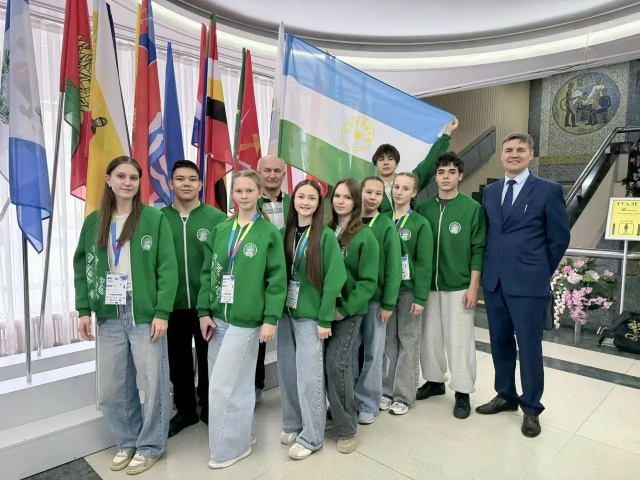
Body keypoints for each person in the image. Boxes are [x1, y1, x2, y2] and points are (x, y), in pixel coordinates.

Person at [74, 156, 178, 475]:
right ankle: (128, 441)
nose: (127, 182)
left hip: (143, 309)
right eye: (121, 176)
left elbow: (168, 268)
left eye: (133, 177)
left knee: (153, 381)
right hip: (108, 310)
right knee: (110, 388)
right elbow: (82, 266)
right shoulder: (94, 221)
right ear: (108, 180)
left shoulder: (153, 219)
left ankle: (150, 446)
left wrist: (162, 312)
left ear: (139, 182)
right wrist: (83, 310)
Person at [476, 133, 570, 438]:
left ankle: (531, 408)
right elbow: (491, 233)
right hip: (495, 282)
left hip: (529, 285)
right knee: (500, 342)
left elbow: (559, 238)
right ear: (501, 156)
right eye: (508, 150)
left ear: (531, 155)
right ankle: (505, 394)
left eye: (520, 150)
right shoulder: (491, 191)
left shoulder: (548, 190)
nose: (513, 154)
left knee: (529, 347)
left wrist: (539, 271)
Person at [198, 170, 287, 469]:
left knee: (223, 386)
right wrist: (203, 312)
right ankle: (245, 434)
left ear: (260, 193)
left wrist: (270, 319)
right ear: (233, 194)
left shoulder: (268, 233)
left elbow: (277, 280)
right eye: (239, 191)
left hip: (247, 321)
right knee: (235, 382)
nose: (244, 196)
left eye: (250, 190)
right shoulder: (221, 230)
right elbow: (207, 273)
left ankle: (227, 449)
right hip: (218, 318)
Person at [278, 180, 347, 460]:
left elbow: (335, 278)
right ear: (293, 200)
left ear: (319, 204)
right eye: (301, 197)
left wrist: (325, 318)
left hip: (311, 317)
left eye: (311, 198)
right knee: (287, 372)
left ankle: (312, 436)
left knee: (309, 377)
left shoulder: (325, 236)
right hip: (286, 314)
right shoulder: (284, 233)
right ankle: (293, 422)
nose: (305, 202)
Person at [415, 152, 486, 420]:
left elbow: (478, 248)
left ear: (460, 176)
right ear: (435, 177)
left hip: (459, 285)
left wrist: (473, 286)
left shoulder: (471, 208)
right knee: (429, 337)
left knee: (460, 340)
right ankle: (434, 381)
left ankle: (463, 390)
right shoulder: (424, 208)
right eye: (441, 172)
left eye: (451, 172)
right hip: (428, 286)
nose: (446, 177)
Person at [161, 160, 227, 437]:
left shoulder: (217, 219)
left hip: (206, 306)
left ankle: (210, 406)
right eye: (180, 179)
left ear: (200, 184)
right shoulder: (159, 219)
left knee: (208, 356)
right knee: (178, 360)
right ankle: (185, 409)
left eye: (192, 179)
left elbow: (224, 263)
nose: (186, 183)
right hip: (172, 305)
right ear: (171, 183)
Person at [326, 179, 379, 454]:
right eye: (337, 196)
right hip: (323, 311)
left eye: (347, 197)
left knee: (338, 363)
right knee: (325, 364)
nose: (341, 201)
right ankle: (334, 411)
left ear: (356, 202)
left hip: (348, 312)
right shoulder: (325, 231)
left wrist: (344, 309)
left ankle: (346, 428)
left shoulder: (364, 236)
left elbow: (367, 282)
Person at [381, 172, 433, 416]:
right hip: (385, 291)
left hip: (409, 291)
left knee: (408, 340)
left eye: (405, 188)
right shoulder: (383, 220)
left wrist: (420, 298)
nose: (399, 192)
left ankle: (404, 395)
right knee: (387, 341)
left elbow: (424, 264)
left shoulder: (420, 223)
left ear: (414, 193)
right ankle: (386, 390)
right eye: (396, 187)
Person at [353, 176, 402, 425]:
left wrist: (388, 303)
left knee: (373, 353)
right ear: (360, 192)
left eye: (378, 193)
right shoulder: (349, 221)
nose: (372, 197)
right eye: (368, 192)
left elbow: (394, 266)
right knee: (349, 353)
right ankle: (347, 398)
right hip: (351, 302)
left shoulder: (385, 225)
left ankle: (368, 402)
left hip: (375, 302)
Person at [254, 154, 291, 404]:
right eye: (267, 170)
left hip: (293, 276)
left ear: (284, 175)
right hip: (259, 279)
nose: (272, 175)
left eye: (277, 171)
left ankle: (293, 388)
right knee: (257, 336)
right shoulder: (249, 203)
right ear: (259, 173)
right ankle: (256, 386)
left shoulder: (295, 203)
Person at [375, 118, 459, 213]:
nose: (386, 163)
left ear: (397, 164)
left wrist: (447, 133)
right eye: (381, 159)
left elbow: (429, 163)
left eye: (390, 159)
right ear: (375, 165)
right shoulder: (368, 189)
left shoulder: (409, 182)